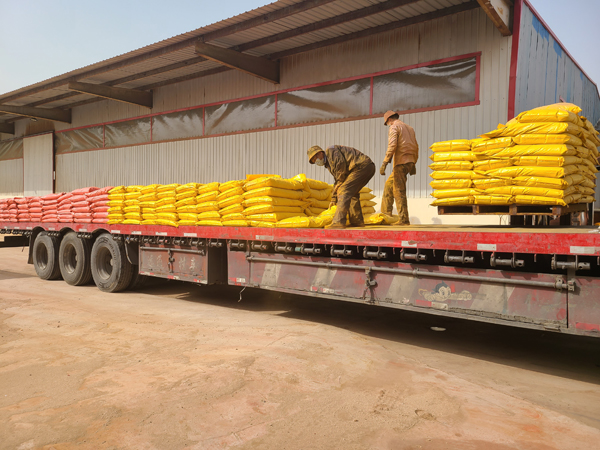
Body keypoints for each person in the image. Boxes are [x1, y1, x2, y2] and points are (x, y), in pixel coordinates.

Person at [307, 145, 375, 229]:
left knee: (344, 190)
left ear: (320, 153)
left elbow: (341, 170)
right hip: (367, 167)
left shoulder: (330, 151)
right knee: (352, 193)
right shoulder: (329, 163)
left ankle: (338, 222)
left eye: (315, 158)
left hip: (361, 166)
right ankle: (357, 221)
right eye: (314, 161)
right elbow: (337, 179)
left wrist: (337, 193)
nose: (316, 161)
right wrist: (333, 198)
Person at [379, 110, 419, 225]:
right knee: (388, 185)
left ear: (389, 120)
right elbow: (415, 146)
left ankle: (403, 219)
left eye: (387, 123)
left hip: (401, 163)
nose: (388, 125)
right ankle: (386, 214)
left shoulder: (394, 127)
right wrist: (413, 162)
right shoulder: (410, 128)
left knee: (398, 190)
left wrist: (385, 163)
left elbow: (392, 145)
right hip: (409, 162)